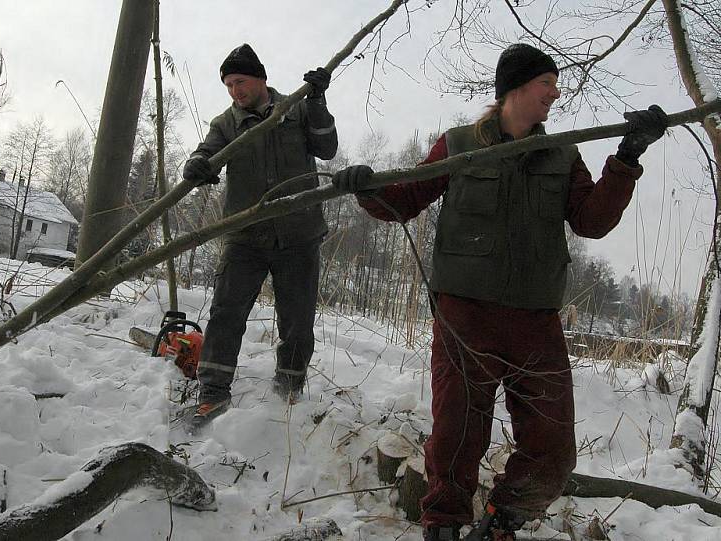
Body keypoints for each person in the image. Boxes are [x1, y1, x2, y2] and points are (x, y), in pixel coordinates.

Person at [331, 43, 666, 541]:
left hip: (536, 321)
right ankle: (443, 524)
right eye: (546, 83)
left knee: (553, 446)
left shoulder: (562, 153)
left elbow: (592, 221)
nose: (556, 92)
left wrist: (627, 157)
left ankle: (503, 519)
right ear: (515, 88)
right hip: (465, 316)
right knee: (456, 434)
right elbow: (403, 203)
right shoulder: (459, 144)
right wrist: (367, 187)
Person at [182, 44, 338, 428]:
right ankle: (213, 392)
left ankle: (289, 391)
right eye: (229, 85)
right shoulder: (226, 124)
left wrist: (317, 100)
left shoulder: (296, 109)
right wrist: (196, 165)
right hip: (245, 237)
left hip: (298, 235)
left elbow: (328, 148)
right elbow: (206, 153)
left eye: (241, 82)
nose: (235, 91)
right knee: (226, 313)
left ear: (261, 78)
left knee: (297, 321)